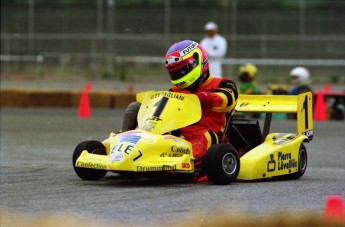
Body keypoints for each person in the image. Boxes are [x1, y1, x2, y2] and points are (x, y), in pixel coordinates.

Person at [121, 40, 238, 175]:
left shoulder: (223, 83)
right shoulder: (175, 90)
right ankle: (126, 143)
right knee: (135, 107)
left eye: (182, 70)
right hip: (177, 134)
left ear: (196, 62)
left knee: (200, 143)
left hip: (206, 134)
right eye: (175, 72)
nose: (178, 75)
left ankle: (183, 165)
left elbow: (228, 99)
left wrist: (200, 98)